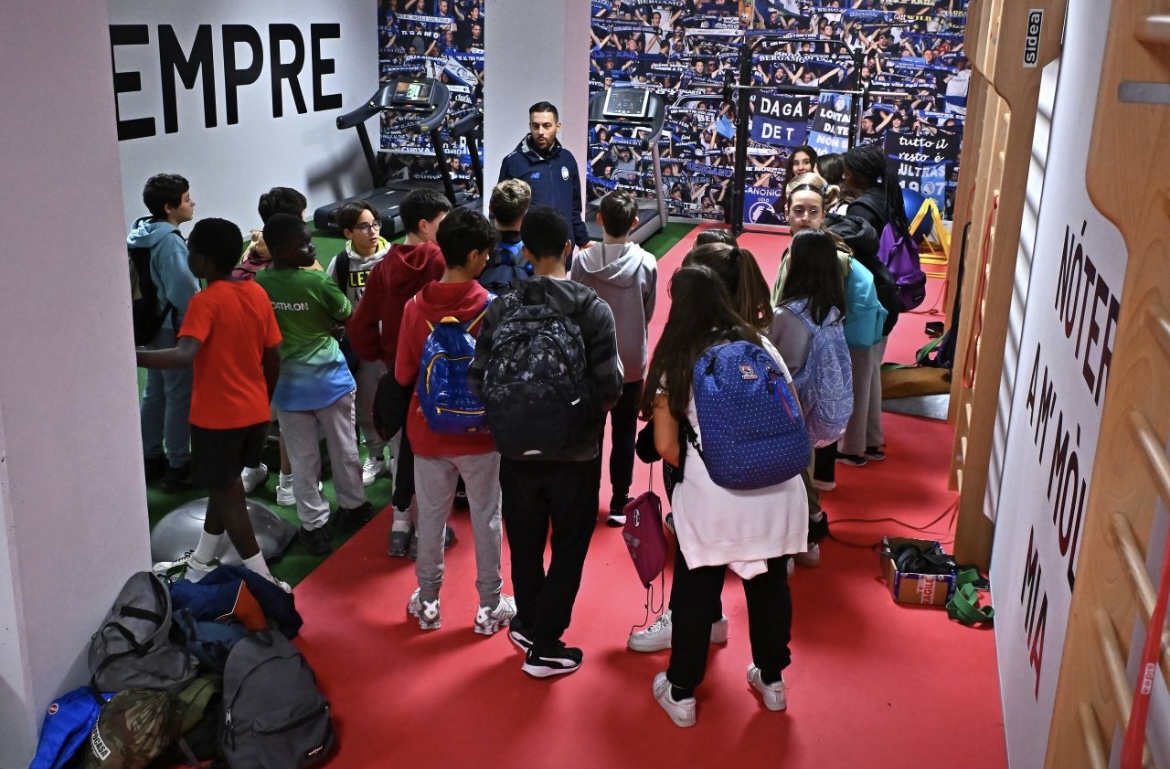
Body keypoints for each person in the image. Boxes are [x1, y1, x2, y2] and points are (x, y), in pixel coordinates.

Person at [644, 264, 807, 727]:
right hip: (779, 492)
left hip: (714, 497)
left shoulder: (678, 358)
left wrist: (703, 466)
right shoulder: (760, 345)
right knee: (770, 587)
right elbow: (792, 409)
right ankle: (772, 682)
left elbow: (665, 445)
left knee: (696, 593)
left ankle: (681, 691)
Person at [469, 206, 623, 678]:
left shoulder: (501, 307)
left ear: (527, 252)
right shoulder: (591, 308)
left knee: (525, 540)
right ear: (569, 248)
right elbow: (609, 388)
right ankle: (546, 644)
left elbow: (479, 380)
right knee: (570, 544)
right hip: (575, 451)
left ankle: (528, 622)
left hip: (515, 449)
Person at [627, 236, 773, 654]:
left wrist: (697, 475)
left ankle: (689, 638)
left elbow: (665, 440)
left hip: (704, 474)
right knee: (754, 573)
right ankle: (722, 629)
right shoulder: (758, 339)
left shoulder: (690, 347)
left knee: (697, 559)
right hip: (760, 477)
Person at [140, 218, 289, 591]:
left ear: (202, 261)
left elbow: (183, 354)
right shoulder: (256, 293)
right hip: (255, 413)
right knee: (223, 489)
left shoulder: (203, 302)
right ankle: (202, 560)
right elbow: (274, 358)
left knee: (229, 495)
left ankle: (264, 580)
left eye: (191, 252)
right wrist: (264, 401)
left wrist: (133, 355)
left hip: (217, 420)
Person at [395, 208, 516, 634]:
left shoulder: (415, 308)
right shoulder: (493, 308)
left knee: (430, 518)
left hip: (428, 431)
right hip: (481, 435)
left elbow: (403, 374)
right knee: (486, 516)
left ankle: (428, 603)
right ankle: (489, 606)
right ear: (475, 255)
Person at [256, 214, 374, 556]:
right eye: (304, 244)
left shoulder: (260, 283)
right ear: (280, 249)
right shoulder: (317, 281)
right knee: (345, 449)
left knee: (302, 459)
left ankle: (313, 525)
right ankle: (354, 506)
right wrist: (330, 327)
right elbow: (347, 315)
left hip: (288, 389)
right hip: (331, 382)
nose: (312, 247)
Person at [348, 189, 451, 556]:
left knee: (400, 448)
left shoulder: (384, 266)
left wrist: (382, 356)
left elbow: (359, 324)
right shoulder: (442, 261)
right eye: (442, 222)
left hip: (397, 372)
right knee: (433, 455)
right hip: (438, 374)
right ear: (424, 226)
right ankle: (428, 530)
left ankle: (400, 523)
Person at [771, 172, 886, 493]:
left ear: (824, 214)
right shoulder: (804, 248)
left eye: (813, 211)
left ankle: (813, 486)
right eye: (798, 211)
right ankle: (818, 480)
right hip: (823, 342)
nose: (805, 217)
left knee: (815, 409)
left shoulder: (827, 255)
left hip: (820, 347)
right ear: (786, 212)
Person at [572, 190, 658, 526]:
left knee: (591, 434)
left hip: (591, 359)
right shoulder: (646, 263)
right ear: (635, 222)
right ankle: (620, 501)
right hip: (632, 360)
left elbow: (575, 307)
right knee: (624, 433)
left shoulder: (581, 262)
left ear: (599, 220)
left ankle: (586, 499)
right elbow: (648, 311)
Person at [769, 228, 851, 568]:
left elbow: (780, 365)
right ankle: (810, 534)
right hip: (818, 409)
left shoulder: (787, 315)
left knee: (785, 478)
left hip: (789, 409)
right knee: (803, 468)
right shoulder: (832, 311)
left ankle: (792, 546)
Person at [839, 144, 914, 465]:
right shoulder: (887, 198)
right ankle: (870, 441)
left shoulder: (861, 210)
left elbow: (855, 259)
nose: (844, 177)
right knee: (869, 374)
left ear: (859, 175)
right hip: (884, 296)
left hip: (868, 300)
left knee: (857, 375)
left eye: (847, 172)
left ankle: (852, 448)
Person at [131, 173, 199, 491]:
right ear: (170, 208)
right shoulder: (170, 242)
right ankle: (178, 463)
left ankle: (150, 456)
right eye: (186, 199)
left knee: (154, 392)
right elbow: (184, 291)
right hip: (173, 327)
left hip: (150, 324)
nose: (192, 203)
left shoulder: (140, 232)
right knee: (179, 396)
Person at [326, 201, 393, 487]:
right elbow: (332, 302)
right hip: (361, 347)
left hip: (392, 345)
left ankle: (398, 455)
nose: (373, 231)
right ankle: (376, 456)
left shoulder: (394, 258)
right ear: (348, 233)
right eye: (364, 227)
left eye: (375, 224)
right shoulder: (341, 263)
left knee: (396, 400)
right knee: (366, 404)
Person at [498, 101, 592, 254]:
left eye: (547, 126)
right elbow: (500, 210)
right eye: (535, 126)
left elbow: (574, 209)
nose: (540, 132)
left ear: (558, 126)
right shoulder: (513, 162)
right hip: (528, 252)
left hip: (562, 249)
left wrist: (583, 240)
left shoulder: (567, 160)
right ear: (530, 126)